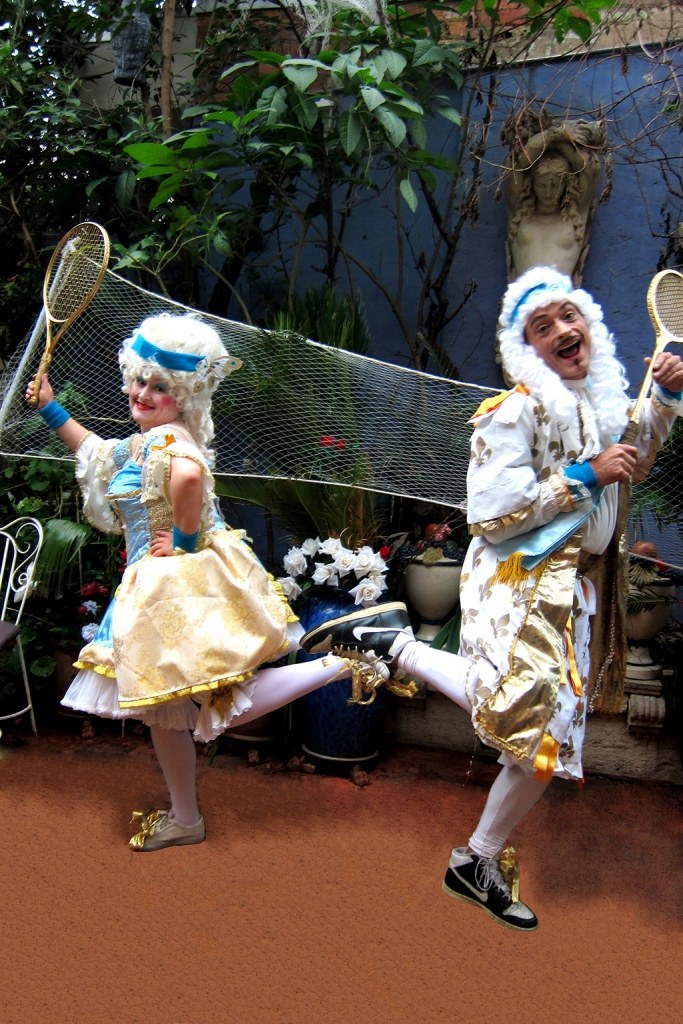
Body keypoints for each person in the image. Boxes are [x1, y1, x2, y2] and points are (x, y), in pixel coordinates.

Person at [299, 265, 683, 931]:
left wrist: (664, 402)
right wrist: (584, 475)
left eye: (569, 315)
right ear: (524, 350)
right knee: (534, 729)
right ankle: (400, 651)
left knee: (543, 739)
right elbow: (490, 512)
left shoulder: (601, 406)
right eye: (543, 326)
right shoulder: (511, 412)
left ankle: (473, 859)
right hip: (517, 582)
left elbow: (635, 457)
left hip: (572, 590)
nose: (563, 330)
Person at [26, 313, 385, 852]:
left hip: (183, 583)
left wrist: (185, 542)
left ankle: (342, 663)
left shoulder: (170, 441)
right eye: (140, 380)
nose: (143, 393)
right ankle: (185, 816)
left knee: (213, 697)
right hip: (164, 582)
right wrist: (52, 407)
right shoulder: (150, 438)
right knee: (165, 708)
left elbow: (190, 475)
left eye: (160, 387)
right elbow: (98, 453)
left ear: (184, 396)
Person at [504, 120, 603, 284]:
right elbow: (514, 164)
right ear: (531, 183)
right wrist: (557, 134)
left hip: (562, 305)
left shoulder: (576, 213)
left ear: (567, 185)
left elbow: (589, 169)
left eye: (555, 185)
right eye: (542, 185)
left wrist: (556, 136)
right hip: (522, 304)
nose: (549, 192)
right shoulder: (520, 210)